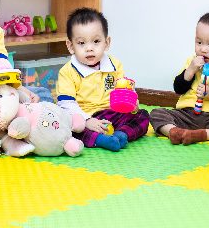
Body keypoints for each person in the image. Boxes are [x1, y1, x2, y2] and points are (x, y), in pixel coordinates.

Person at [56, 8, 150, 152]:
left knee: (143, 115)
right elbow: (66, 103)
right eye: (81, 43)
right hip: (85, 115)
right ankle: (99, 139)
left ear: (106, 43)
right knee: (70, 127)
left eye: (96, 41)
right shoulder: (67, 72)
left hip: (112, 113)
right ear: (70, 46)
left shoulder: (115, 65)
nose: (89, 48)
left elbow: (124, 91)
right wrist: (87, 120)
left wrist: (132, 103)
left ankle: (122, 134)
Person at [149, 11, 209, 145]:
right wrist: (190, 71)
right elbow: (178, 89)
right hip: (187, 114)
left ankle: (201, 135)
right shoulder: (192, 62)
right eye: (199, 42)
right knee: (156, 113)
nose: (203, 49)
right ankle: (175, 131)